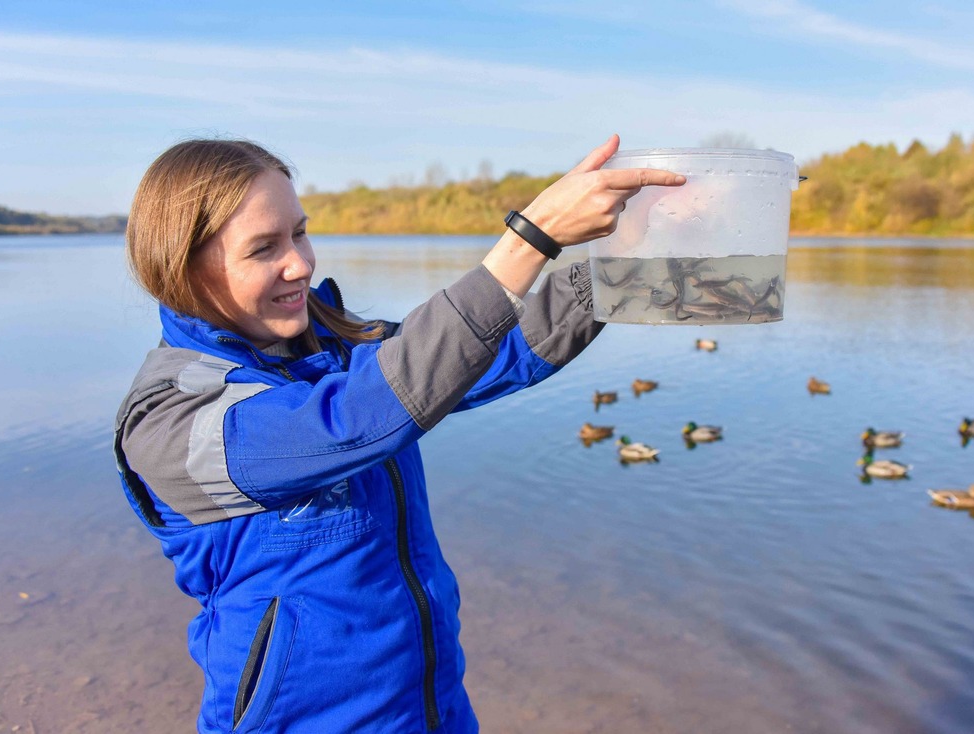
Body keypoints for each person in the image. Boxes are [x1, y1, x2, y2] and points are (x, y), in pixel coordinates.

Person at [114, 134, 685, 733]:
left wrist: (630, 260)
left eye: (299, 233)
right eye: (264, 248)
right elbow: (356, 417)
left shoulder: (332, 350)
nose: (301, 264)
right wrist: (530, 240)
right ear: (182, 264)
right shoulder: (170, 419)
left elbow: (475, 353)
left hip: (431, 712)